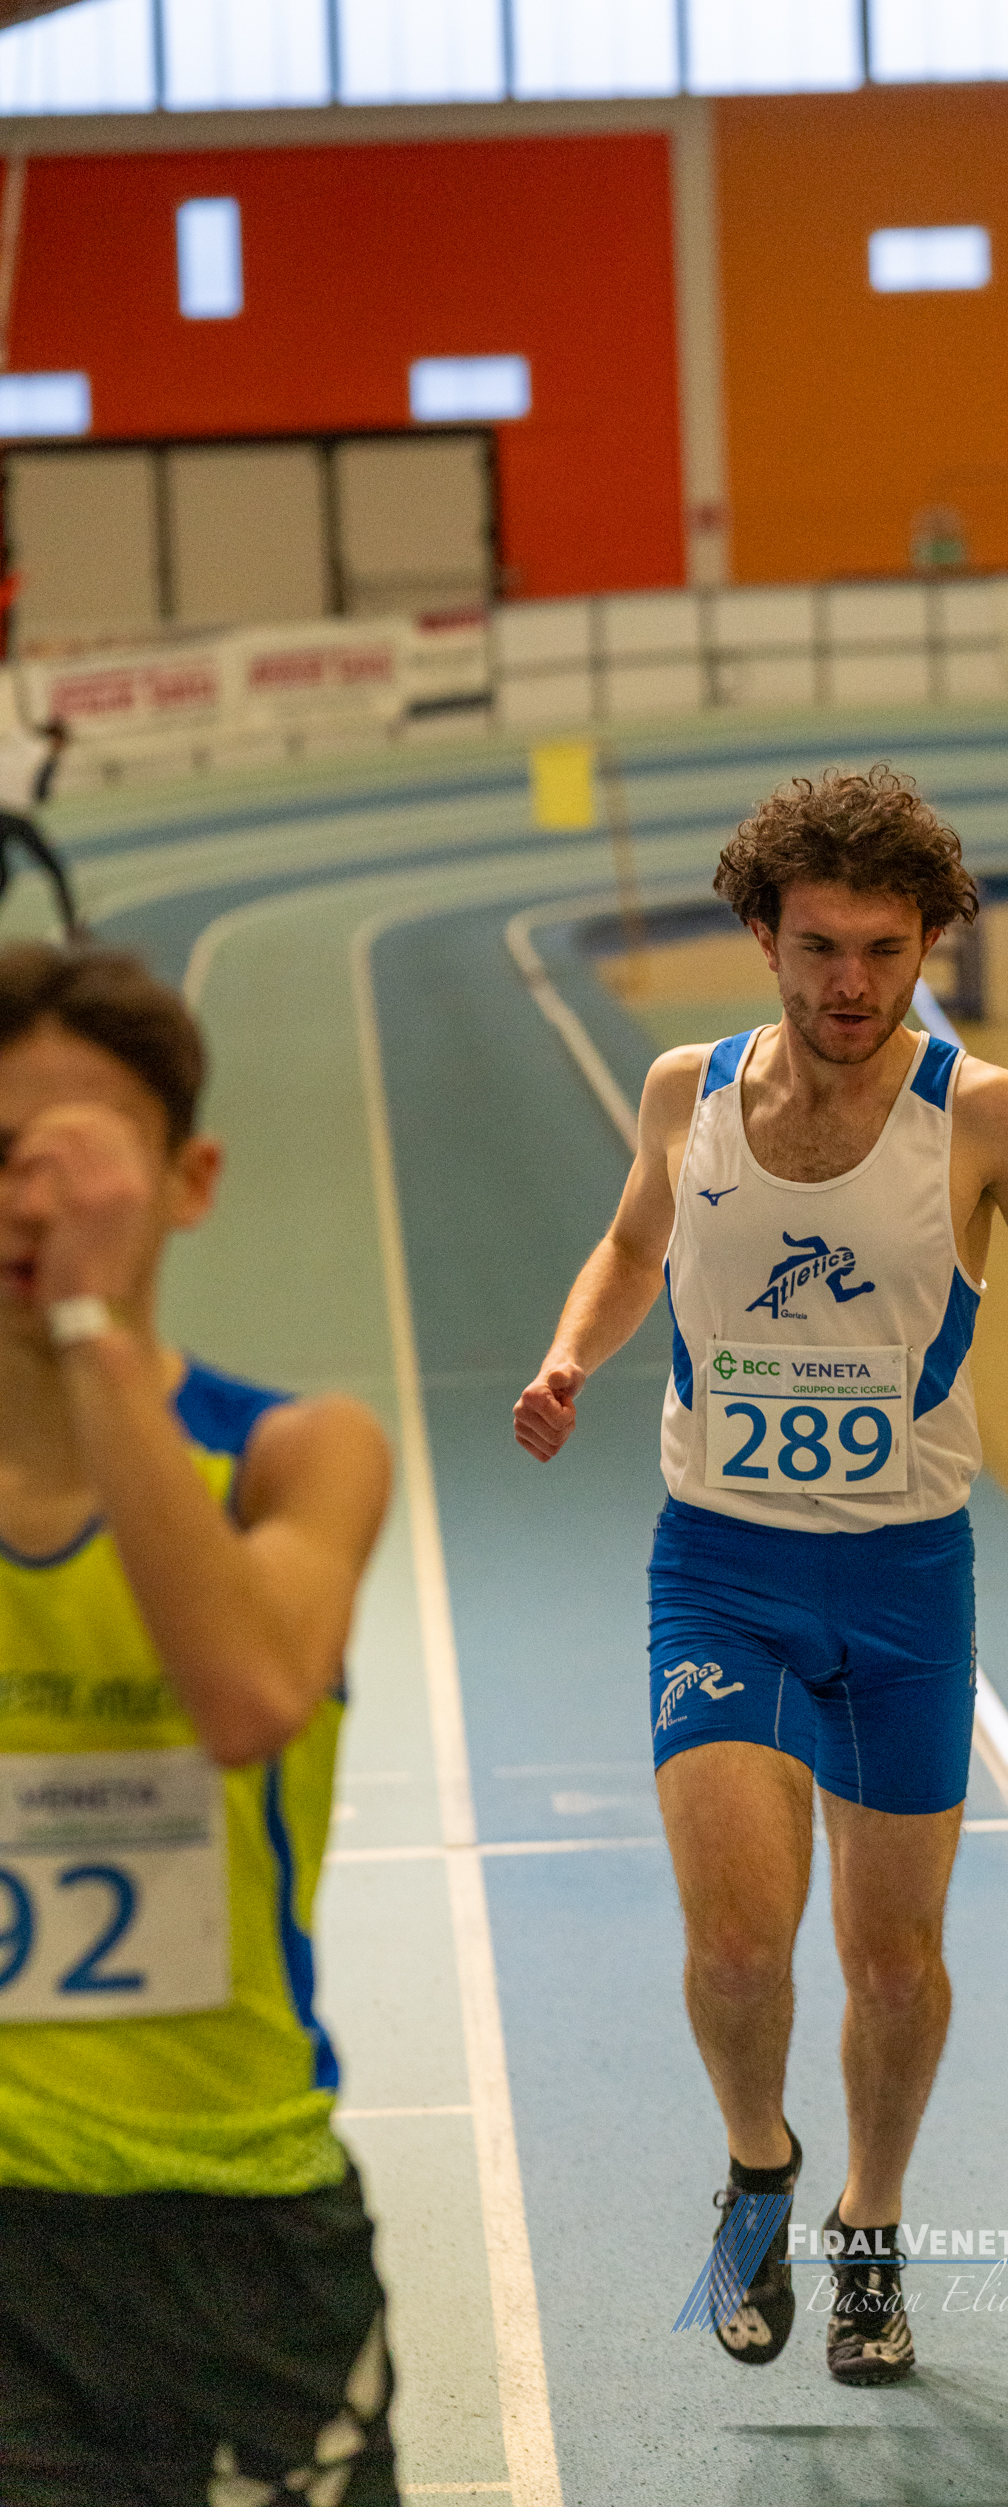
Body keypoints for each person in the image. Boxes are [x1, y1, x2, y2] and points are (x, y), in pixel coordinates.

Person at [514, 766, 1008, 2389]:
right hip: (722, 1565)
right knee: (736, 1945)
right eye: (821, 947)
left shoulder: (984, 1114)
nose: (852, 983)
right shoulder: (685, 1092)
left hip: (904, 1583)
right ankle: (758, 2166)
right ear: (763, 937)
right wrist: (569, 1356)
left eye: (885, 951)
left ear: (926, 945)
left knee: (892, 1961)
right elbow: (631, 1246)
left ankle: (872, 2222)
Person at [0, 943, 396, 2504]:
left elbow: (247, 1695)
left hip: (243, 2240)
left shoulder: (301, 1455)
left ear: (188, 1181)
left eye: (78, 1157)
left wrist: (88, 1326)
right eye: (1, 1158)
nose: (34, 1201)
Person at [0, 714, 78, 938]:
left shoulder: (17, 740)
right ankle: (72, 928)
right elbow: (41, 795)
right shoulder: (47, 754)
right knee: (56, 871)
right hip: (16, 816)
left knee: (3, 878)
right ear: (58, 740)